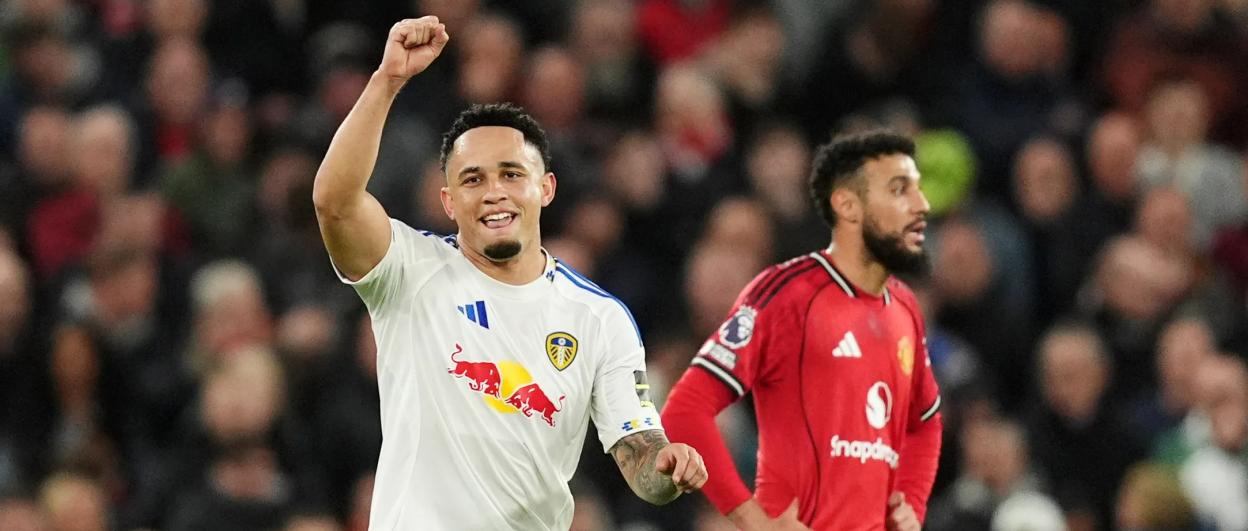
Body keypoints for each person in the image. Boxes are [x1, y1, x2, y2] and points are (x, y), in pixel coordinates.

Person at [311, 16, 707, 530]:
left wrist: (665, 466)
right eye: (473, 179)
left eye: (512, 174)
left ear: (545, 189)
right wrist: (387, 81)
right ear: (449, 202)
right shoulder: (408, 271)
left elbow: (637, 451)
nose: (494, 191)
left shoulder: (598, 317)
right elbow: (335, 202)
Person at [661, 131, 943, 530]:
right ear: (847, 205)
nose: (921, 206)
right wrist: (753, 520)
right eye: (899, 191)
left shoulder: (905, 308)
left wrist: (910, 507)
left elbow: (925, 422)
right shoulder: (787, 295)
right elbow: (686, 411)